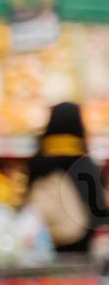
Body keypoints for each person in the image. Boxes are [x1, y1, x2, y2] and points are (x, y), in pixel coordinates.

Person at [26, 101, 108, 254]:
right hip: (80, 250)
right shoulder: (85, 165)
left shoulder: (37, 162)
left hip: (43, 247)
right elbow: (99, 213)